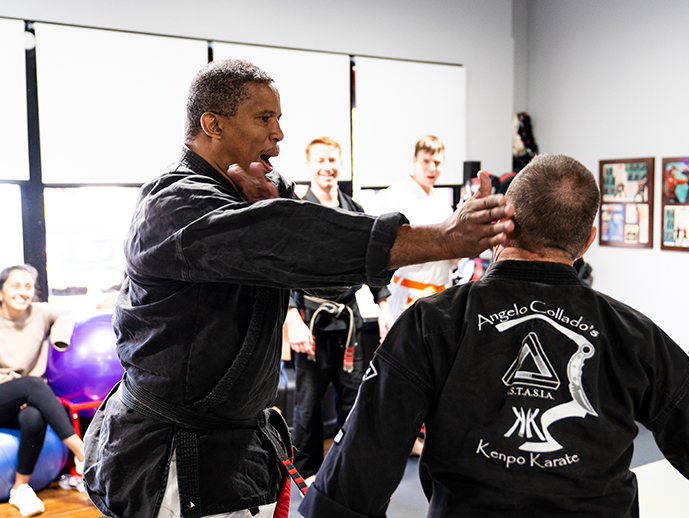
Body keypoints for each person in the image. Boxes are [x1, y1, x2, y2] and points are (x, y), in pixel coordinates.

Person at [81, 59, 514, 518]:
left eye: (279, 120)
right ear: (213, 124)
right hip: (170, 457)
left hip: (236, 447)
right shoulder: (174, 205)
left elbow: (320, 252)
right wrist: (443, 237)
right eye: (264, 119)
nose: (279, 134)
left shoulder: (258, 188)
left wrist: (275, 208)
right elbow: (290, 240)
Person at [299, 154, 689, 518]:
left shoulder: (432, 323)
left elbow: (349, 486)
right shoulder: (635, 336)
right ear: (587, 242)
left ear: (500, 222)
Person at [284, 136, 393, 481]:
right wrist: (292, 320)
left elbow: (372, 261)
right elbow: (285, 270)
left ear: (340, 163)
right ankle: (306, 478)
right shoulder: (298, 211)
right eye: (321, 160)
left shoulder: (355, 210)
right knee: (307, 407)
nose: (328, 167)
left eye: (333, 160)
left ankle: (348, 474)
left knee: (353, 401)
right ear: (309, 165)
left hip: (349, 325)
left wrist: (384, 304)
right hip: (312, 323)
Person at [0, 264, 86, 517]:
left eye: (28, 287)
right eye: (15, 286)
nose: (23, 292)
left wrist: (59, 337)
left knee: (34, 417)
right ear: (1, 292)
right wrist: (19, 390)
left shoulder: (39, 312)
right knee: (33, 384)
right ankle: (83, 453)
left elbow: (65, 315)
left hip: (21, 398)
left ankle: (20, 489)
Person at [369, 135, 456, 321]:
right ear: (415, 160)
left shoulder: (442, 203)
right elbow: (380, 249)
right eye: (426, 161)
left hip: (439, 292)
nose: (432, 168)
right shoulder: (393, 196)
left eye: (437, 162)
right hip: (407, 294)